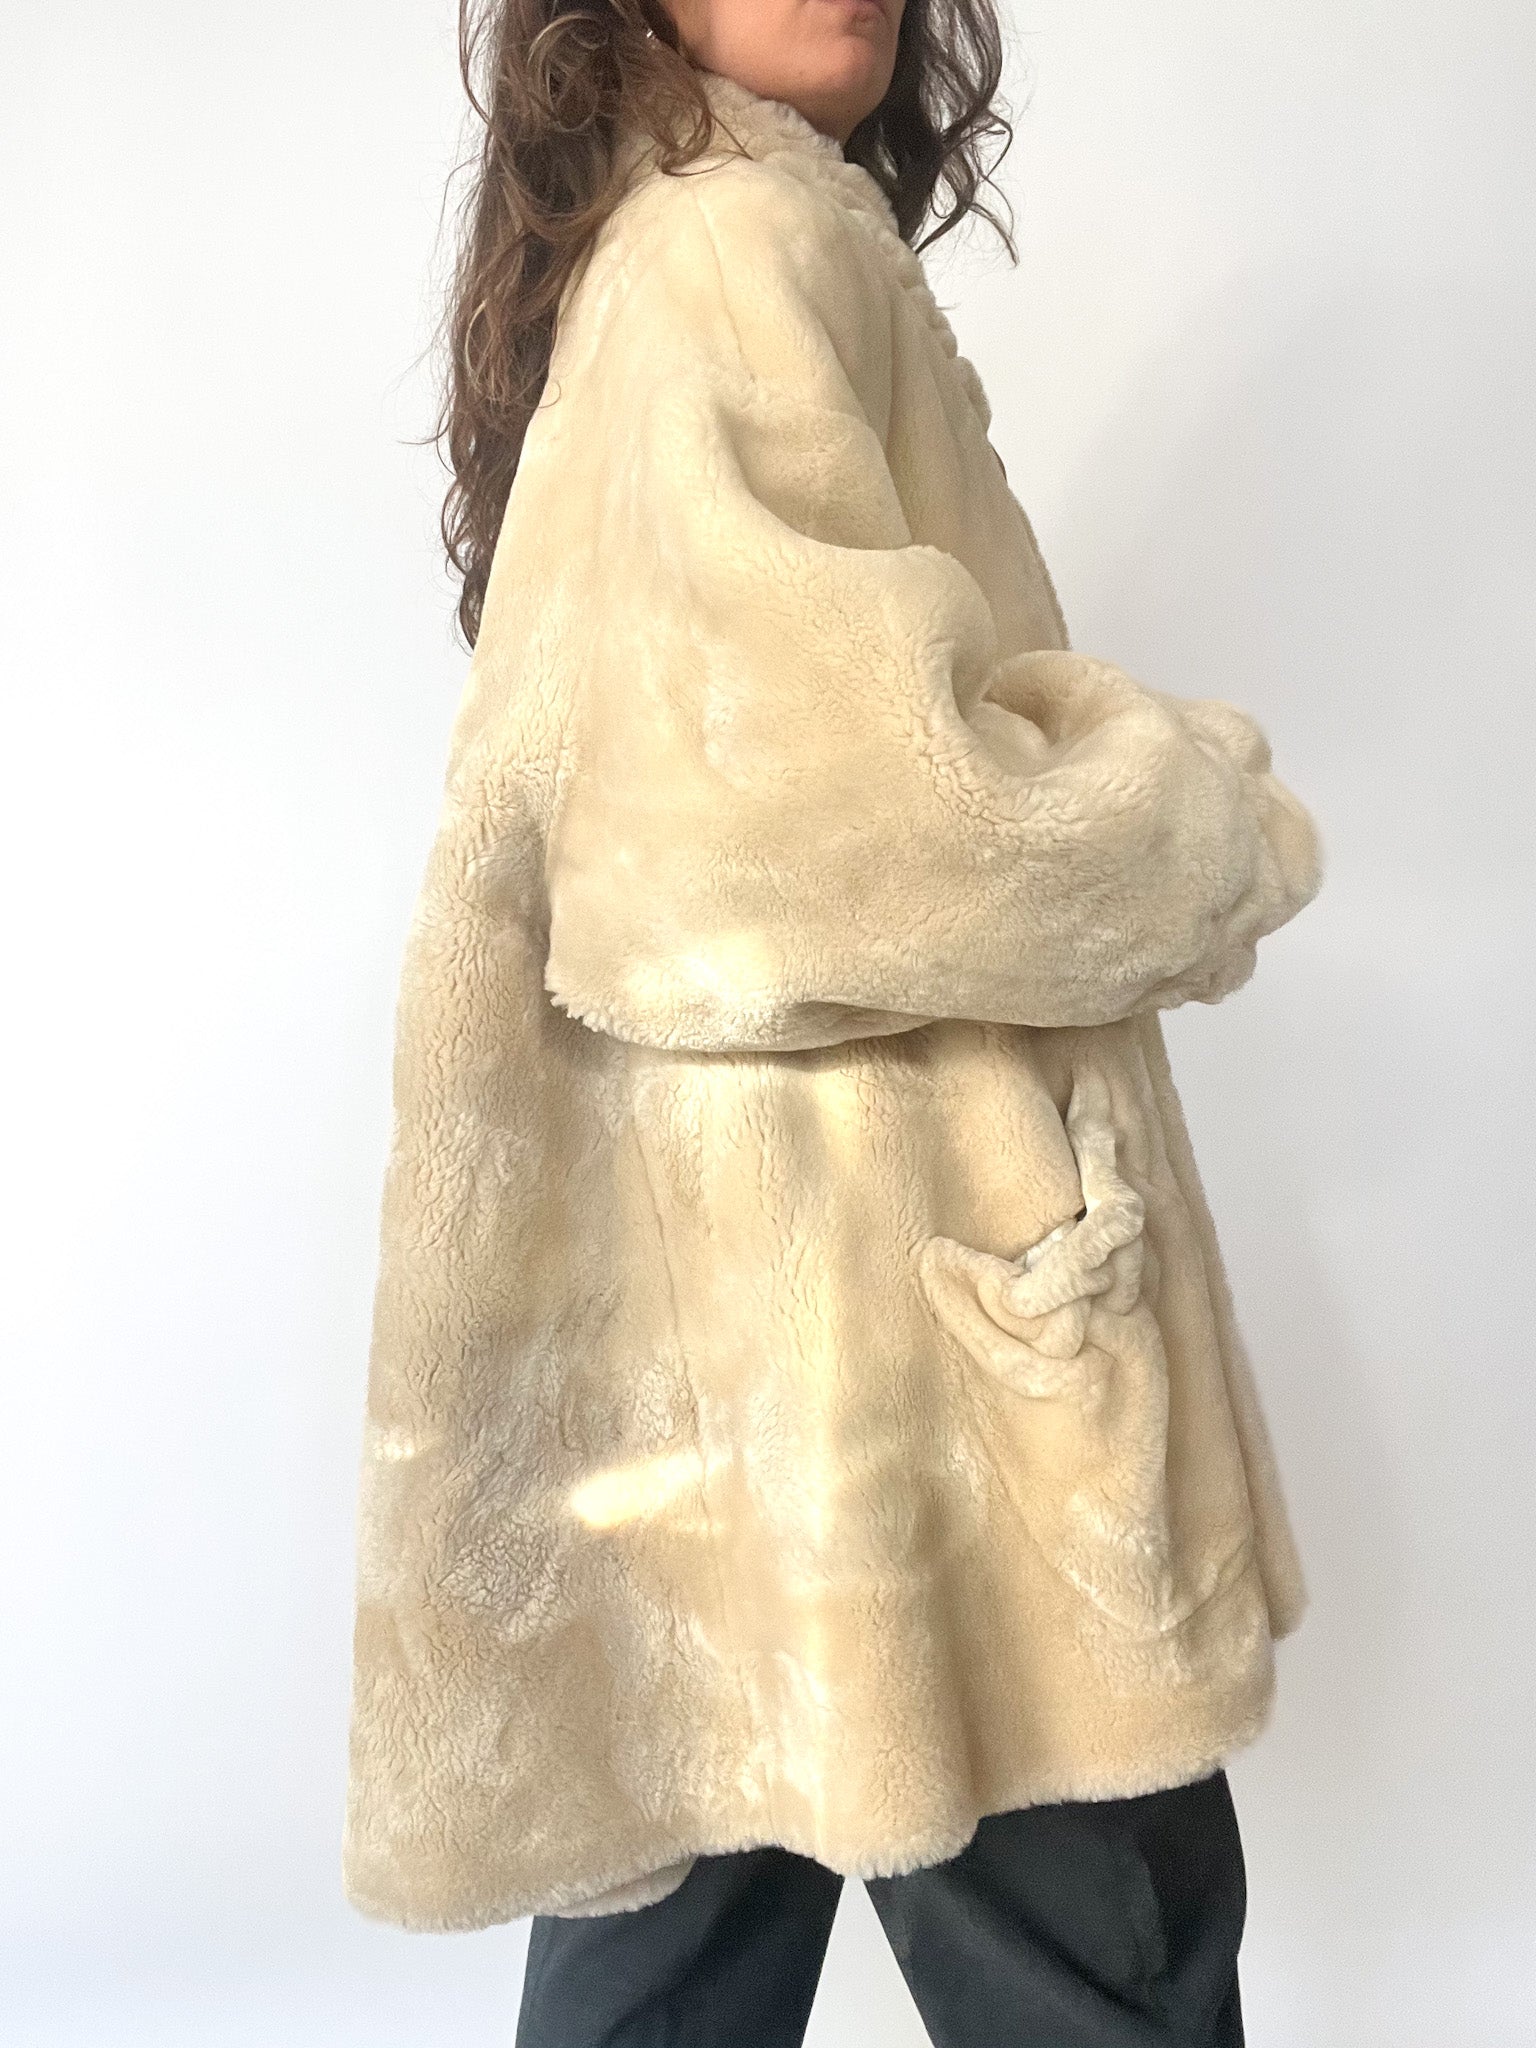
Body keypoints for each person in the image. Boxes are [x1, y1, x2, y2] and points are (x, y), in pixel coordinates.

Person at [341, 3, 1323, 2043]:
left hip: (730, 1363)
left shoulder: (682, 247)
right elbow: (789, 837)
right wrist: (1190, 819)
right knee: (1107, 1958)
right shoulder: (732, 249)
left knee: (671, 1963)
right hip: (901, 1359)